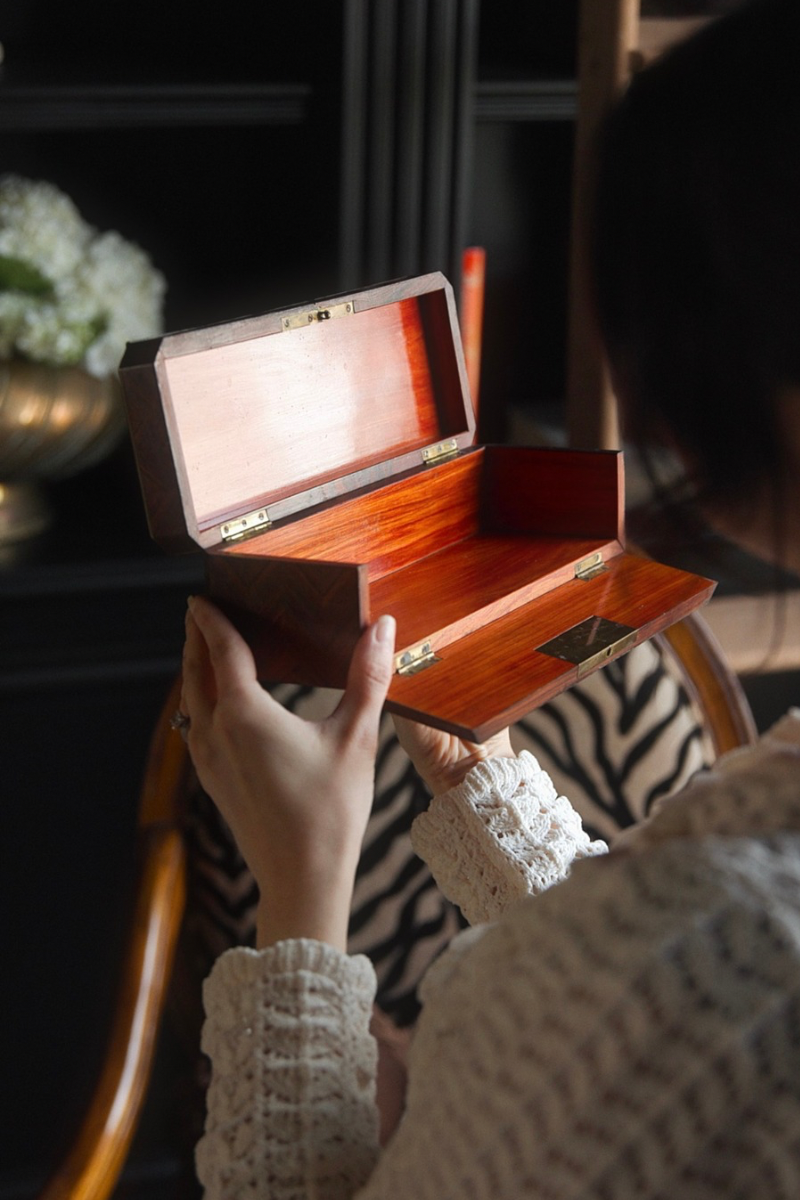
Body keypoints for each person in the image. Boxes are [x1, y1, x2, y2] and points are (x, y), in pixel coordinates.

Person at [182, 1, 800, 1195]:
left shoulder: (716, 982)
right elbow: (644, 982)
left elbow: (674, 989)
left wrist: (300, 890)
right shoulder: (697, 954)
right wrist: (484, 791)